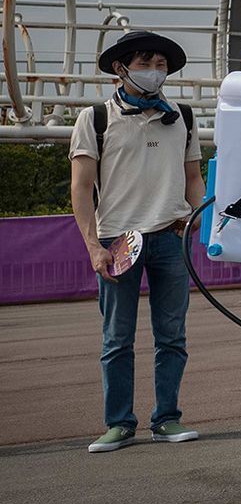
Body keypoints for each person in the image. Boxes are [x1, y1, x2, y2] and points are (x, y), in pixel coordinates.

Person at [68, 30, 203, 452]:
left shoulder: (183, 116)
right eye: (145, 63)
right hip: (117, 241)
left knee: (172, 335)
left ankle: (167, 418)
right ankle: (119, 423)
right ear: (120, 68)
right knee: (116, 338)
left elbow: (193, 176)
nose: (155, 71)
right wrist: (93, 245)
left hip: (171, 236)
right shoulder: (95, 119)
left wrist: (197, 214)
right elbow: (81, 187)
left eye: (161, 65)